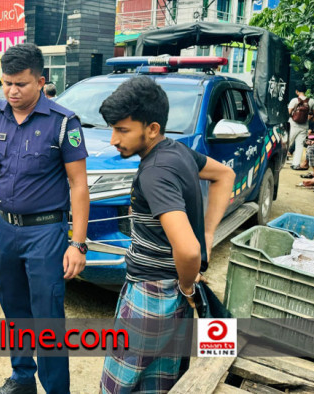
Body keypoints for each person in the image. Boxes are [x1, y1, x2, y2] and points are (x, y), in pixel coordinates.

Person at [98, 76, 235, 393]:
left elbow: (187, 251)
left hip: (152, 292)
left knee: (117, 384)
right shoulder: (178, 151)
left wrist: (188, 282)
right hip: (170, 294)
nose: (113, 139)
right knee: (157, 382)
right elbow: (223, 175)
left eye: (122, 130)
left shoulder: (155, 170)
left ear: (152, 128)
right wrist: (208, 235)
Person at [0, 43, 90, 394]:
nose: (12, 91)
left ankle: (55, 389)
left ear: (40, 80)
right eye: (6, 83)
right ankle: (22, 378)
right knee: (13, 306)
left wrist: (77, 244)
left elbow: (79, 186)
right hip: (7, 228)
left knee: (48, 318)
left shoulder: (64, 122)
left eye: (20, 83)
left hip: (46, 232)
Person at [288, 82, 314, 170]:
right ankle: (295, 164)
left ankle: (282, 160)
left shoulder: (294, 100)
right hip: (304, 126)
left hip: (293, 125)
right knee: (299, 145)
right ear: (305, 91)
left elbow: (289, 112)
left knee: (287, 142)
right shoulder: (311, 101)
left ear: (297, 91)